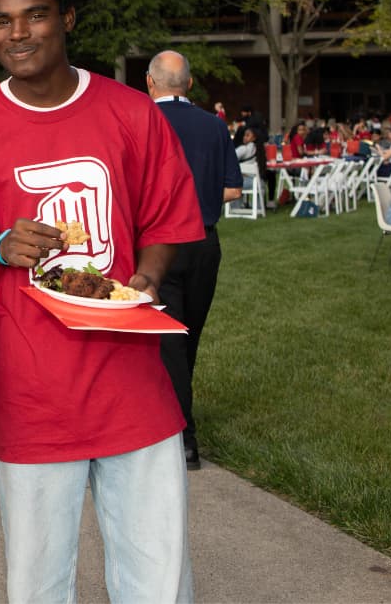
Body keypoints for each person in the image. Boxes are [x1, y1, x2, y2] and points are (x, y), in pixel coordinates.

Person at [0, 0, 203, 603]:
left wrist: (145, 279)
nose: (19, 33)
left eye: (35, 15)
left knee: (156, 577)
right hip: (29, 388)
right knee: (37, 582)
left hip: (130, 379)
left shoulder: (131, 113)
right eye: (3, 21)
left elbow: (167, 220)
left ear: (68, 18)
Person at [146, 50, 242, 470]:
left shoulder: (142, 120)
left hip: (157, 246)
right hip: (204, 242)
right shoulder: (214, 126)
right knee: (188, 339)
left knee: (168, 344)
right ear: (188, 84)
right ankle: (176, 429)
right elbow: (233, 190)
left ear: (152, 83)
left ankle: (181, 437)